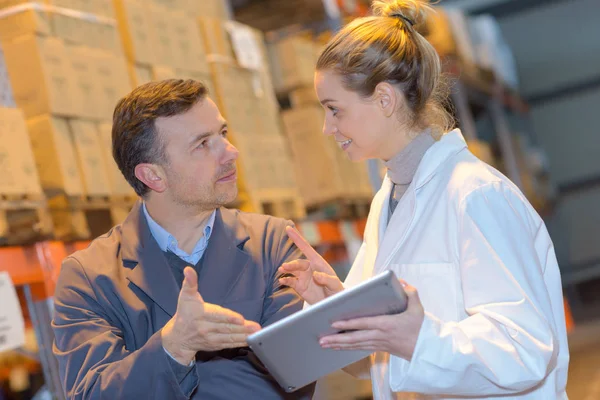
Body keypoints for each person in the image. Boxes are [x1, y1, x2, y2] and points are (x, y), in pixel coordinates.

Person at [279, 0, 569, 398]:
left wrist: (419, 339)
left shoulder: (476, 195)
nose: (327, 128)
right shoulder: (388, 201)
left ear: (384, 99)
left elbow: (526, 350)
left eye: (334, 110)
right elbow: (376, 365)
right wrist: (335, 307)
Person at [51, 79, 315, 400]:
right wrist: (175, 346)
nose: (231, 152)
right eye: (203, 144)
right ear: (153, 176)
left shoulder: (275, 242)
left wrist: (150, 369)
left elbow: (295, 375)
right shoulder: (88, 276)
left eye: (223, 134)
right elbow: (91, 394)